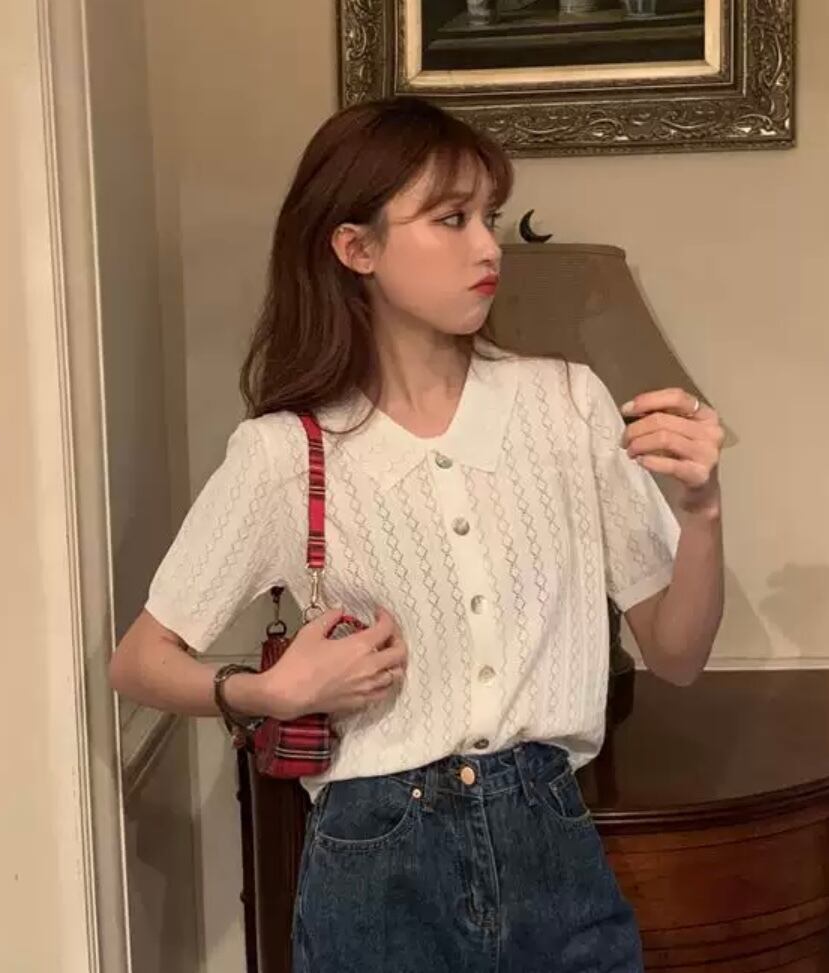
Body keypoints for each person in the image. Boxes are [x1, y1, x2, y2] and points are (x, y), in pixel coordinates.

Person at [108, 96, 725, 973]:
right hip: (373, 866)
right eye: (450, 218)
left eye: (488, 217)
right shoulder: (285, 452)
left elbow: (677, 654)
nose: (487, 247)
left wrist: (701, 514)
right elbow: (138, 660)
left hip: (550, 841)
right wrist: (270, 691)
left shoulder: (565, 403)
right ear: (355, 247)